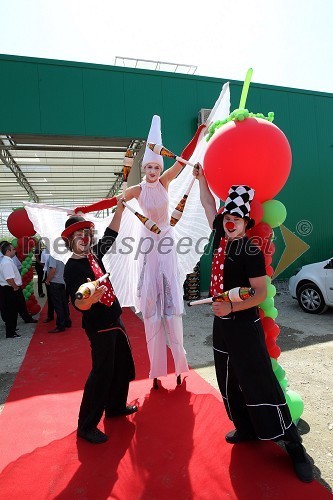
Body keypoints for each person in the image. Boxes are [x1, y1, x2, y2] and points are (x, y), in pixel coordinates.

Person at [194, 165, 313, 483]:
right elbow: (208, 205)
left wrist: (230, 304)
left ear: (246, 221)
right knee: (229, 380)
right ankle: (246, 428)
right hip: (222, 325)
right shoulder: (221, 235)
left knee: (260, 381)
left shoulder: (250, 249)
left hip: (244, 326)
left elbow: (259, 294)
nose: (229, 222)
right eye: (226, 218)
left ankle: (294, 446)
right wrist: (202, 180)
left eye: (235, 218)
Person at [120, 115, 189, 390]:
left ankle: (181, 367)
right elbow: (117, 200)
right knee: (151, 311)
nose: (151, 170)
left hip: (166, 241)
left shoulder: (165, 182)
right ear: (143, 168)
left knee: (171, 308)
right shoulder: (137, 190)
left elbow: (181, 162)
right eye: (147, 166)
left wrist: (199, 133)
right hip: (148, 243)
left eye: (155, 166)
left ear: (159, 167)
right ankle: (157, 372)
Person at [63, 199, 136, 445]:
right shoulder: (71, 268)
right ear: (69, 239)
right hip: (99, 326)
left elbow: (111, 234)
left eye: (87, 232)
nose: (85, 236)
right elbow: (78, 303)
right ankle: (86, 425)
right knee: (101, 374)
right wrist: (89, 300)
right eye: (79, 234)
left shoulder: (94, 255)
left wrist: (120, 208)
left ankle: (115, 407)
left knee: (121, 366)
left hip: (115, 318)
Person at [0, 242, 37, 338]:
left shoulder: (8, 260)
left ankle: (12, 329)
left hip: (12, 288)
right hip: (11, 289)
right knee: (11, 311)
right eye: (13, 249)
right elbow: (9, 278)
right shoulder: (6, 262)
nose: (15, 250)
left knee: (15, 309)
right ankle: (10, 333)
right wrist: (15, 287)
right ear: (8, 251)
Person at [45, 255, 71, 333]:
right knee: (63, 303)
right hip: (61, 281)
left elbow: (52, 270)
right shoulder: (61, 255)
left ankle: (61, 325)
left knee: (58, 304)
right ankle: (67, 321)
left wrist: (47, 280)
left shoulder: (53, 256)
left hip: (55, 282)